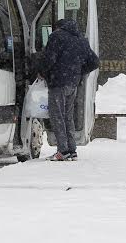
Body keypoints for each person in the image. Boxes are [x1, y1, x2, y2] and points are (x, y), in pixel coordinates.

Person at [35, 17, 100, 162]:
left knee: (57, 116)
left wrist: (42, 72)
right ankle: (72, 150)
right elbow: (94, 61)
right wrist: (78, 71)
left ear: (59, 27)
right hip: (73, 84)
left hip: (58, 83)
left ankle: (62, 151)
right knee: (67, 116)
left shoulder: (57, 37)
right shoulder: (81, 39)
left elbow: (49, 59)